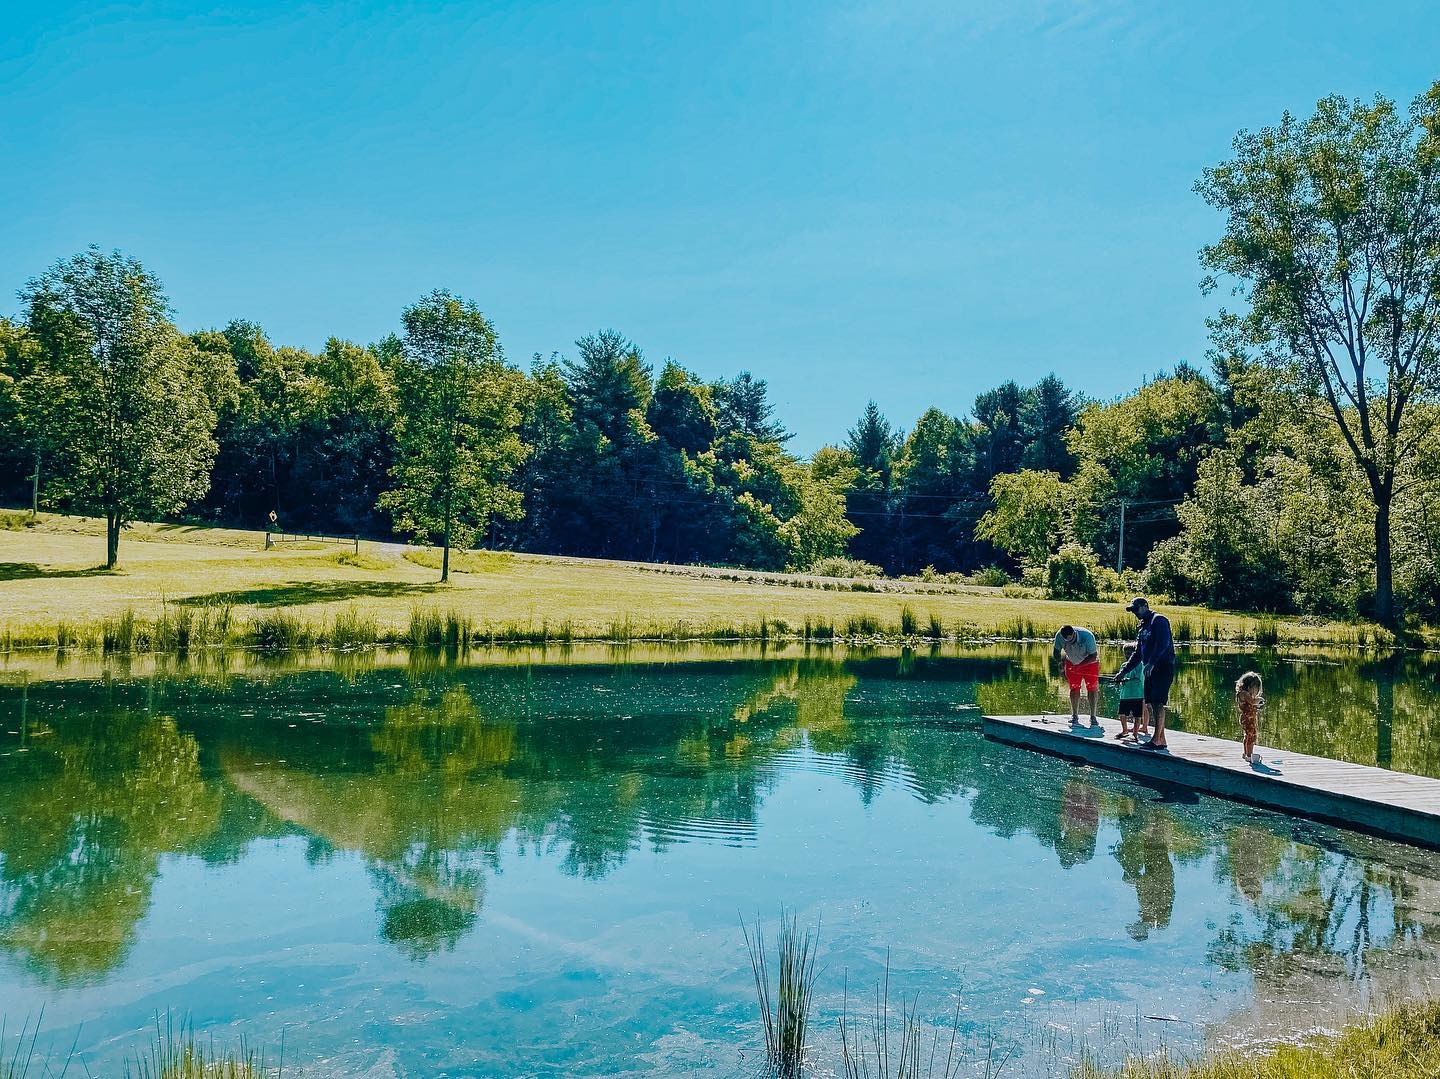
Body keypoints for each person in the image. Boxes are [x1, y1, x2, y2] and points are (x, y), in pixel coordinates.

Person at [1113, 597, 1175, 751]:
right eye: (1132, 610)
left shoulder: (1158, 620)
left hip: (1162, 667)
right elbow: (1138, 653)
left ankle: (1156, 741)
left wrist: (1152, 663)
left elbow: (1163, 643)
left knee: (1158, 702)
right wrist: (1123, 672)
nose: (1134, 612)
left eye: (1136, 609)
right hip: (1149, 669)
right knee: (1151, 702)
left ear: (1145, 606)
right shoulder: (1143, 626)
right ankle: (1162, 739)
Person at [1052, 624, 1100, 726]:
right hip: (1071, 662)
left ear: (1074, 633)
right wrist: (1060, 663)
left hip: (1090, 663)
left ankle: (1093, 716)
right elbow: (1056, 651)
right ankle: (1074, 715)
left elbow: (1093, 655)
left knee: (1092, 688)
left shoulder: (1087, 636)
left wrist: (1079, 666)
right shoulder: (1059, 636)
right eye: (1067, 641)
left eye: (1071, 639)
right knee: (1074, 688)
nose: (1069, 642)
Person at [1108, 643, 1146, 741]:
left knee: (1137, 716)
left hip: (1137, 694)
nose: (1127, 655)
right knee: (1122, 714)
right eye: (1126, 653)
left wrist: (1126, 679)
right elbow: (1121, 676)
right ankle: (1124, 731)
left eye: (1130, 653)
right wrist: (1118, 680)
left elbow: (1138, 679)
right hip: (1125, 695)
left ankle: (1135, 734)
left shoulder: (1140, 665)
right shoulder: (1123, 666)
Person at [1235, 671, 1265, 765]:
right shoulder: (1244, 694)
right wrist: (1259, 700)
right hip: (1247, 719)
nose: (1256, 692)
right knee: (1251, 736)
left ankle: (1246, 754)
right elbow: (1252, 702)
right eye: (1255, 689)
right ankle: (1249, 755)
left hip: (1249, 718)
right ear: (1250, 686)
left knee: (1247, 735)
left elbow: (1251, 705)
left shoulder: (1244, 693)